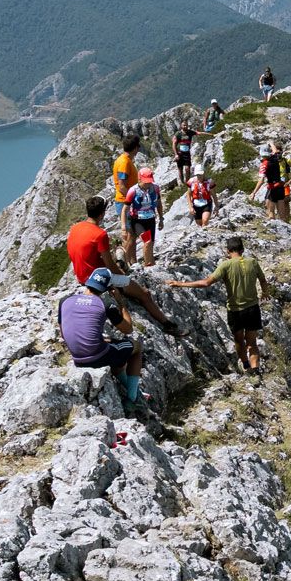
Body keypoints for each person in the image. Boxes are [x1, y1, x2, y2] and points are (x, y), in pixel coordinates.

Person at [170, 235, 272, 375]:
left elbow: (206, 283)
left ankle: (247, 366)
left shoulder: (226, 265)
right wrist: (265, 293)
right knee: (252, 343)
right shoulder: (252, 262)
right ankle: (256, 370)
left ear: (227, 251)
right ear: (242, 249)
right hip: (252, 309)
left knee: (239, 341)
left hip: (235, 311)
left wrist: (180, 284)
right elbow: (262, 279)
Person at [65, 196, 174, 328]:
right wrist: (122, 274)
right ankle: (167, 324)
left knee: (119, 257)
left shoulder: (75, 228)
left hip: (82, 277)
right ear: (102, 213)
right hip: (100, 278)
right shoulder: (99, 234)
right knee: (144, 294)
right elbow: (110, 265)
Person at [61, 267, 150, 413]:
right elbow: (128, 329)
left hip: (77, 357)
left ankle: (135, 392)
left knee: (113, 348)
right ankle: (133, 399)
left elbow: (64, 332)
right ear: (108, 288)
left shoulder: (65, 301)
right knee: (136, 347)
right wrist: (120, 303)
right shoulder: (105, 304)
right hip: (97, 356)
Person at [123, 167, 163, 266]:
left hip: (150, 219)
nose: (148, 184)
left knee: (150, 243)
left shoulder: (156, 188)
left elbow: (159, 203)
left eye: (149, 182)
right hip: (137, 221)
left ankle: (150, 263)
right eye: (146, 182)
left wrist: (161, 218)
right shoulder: (133, 191)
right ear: (139, 179)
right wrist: (123, 226)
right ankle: (148, 265)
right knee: (147, 241)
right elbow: (125, 209)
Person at [255, 141, 291, 222]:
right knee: (282, 216)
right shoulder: (275, 158)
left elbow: (261, 180)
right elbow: (275, 151)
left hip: (272, 188)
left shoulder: (264, 164)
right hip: (280, 187)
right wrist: (271, 143)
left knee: (270, 212)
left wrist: (254, 192)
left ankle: (274, 228)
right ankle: (285, 228)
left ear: (261, 154)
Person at [109, 133, 140, 226]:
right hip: (125, 202)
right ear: (135, 148)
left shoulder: (124, 160)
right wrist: (134, 199)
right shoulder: (124, 163)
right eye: (138, 146)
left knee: (132, 232)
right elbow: (122, 187)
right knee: (129, 233)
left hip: (126, 201)